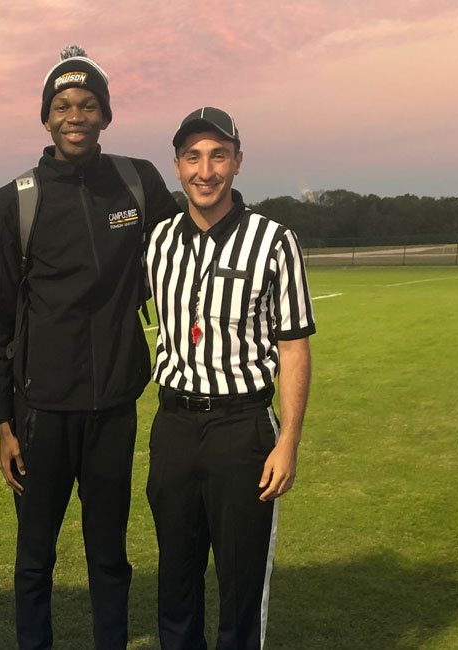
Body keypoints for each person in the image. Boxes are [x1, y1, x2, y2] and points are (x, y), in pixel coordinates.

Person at [0, 46, 181, 650]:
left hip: (114, 406)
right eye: (64, 105)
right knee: (34, 559)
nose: (76, 115)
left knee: (109, 557)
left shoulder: (137, 181)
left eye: (88, 104)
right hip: (41, 411)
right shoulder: (14, 199)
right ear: (46, 118)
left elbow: (187, 249)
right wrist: (4, 423)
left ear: (106, 115)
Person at [145, 107, 314, 650]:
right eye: (193, 156)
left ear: (238, 161)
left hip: (241, 427)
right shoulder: (158, 242)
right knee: (174, 582)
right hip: (172, 425)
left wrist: (288, 440)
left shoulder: (274, 241)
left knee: (239, 589)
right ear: (176, 165)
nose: (206, 169)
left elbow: (293, 347)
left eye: (219, 155)